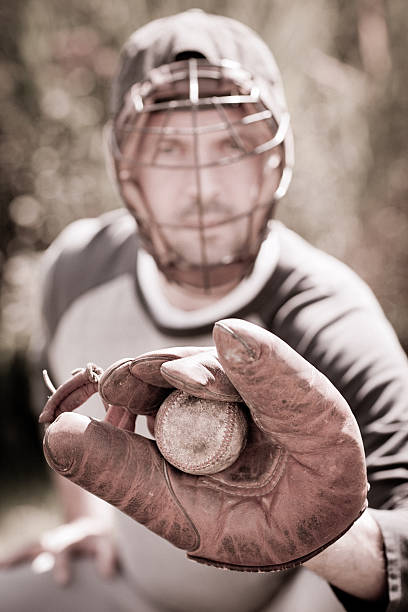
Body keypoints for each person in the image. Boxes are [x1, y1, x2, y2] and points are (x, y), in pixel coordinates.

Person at [1, 9, 408, 612]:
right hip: (130, 594)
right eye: (167, 148)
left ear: (274, 160)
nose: (202, 187)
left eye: (233, 144)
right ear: (126, 168)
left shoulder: (326, 316)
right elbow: (70, 422)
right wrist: (92, 519)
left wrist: (319, 537)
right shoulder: (78, 271)